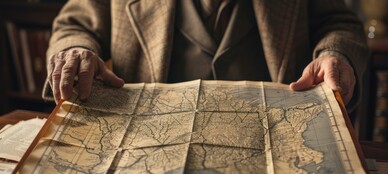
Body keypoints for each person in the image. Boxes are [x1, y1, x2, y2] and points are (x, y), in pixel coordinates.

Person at [43, 0, 368, 112]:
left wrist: (335, 53)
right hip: (146, 152)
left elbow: (340, 23)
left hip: (277, 151)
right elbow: (74, 24)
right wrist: (76, 50)